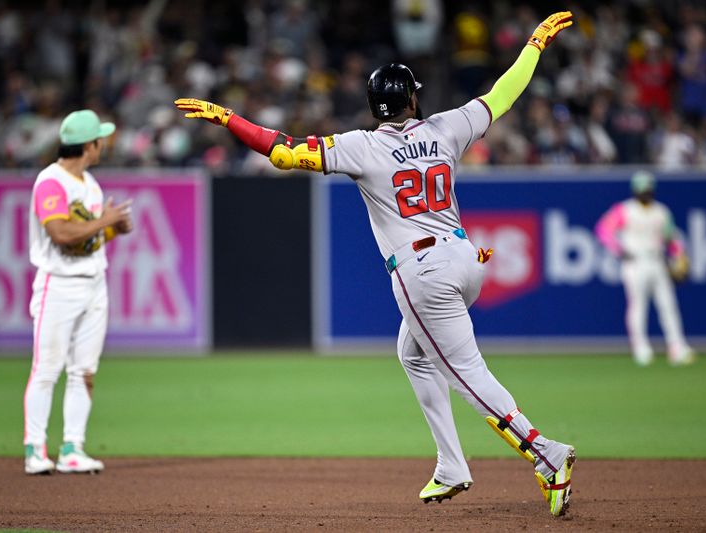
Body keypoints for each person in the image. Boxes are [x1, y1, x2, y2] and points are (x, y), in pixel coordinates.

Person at [176, 11, 577, 517]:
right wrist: (535, 45)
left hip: (422, 272)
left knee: (468, 375)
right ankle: (451, 465)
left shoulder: (360, 146)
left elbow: (282, 153)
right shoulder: (447, 126)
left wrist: (228, 118)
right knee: (412, 352)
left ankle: (547, 454)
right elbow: (504, 93)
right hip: (465, 257)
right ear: (412, 98)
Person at [24, 109, 133, 475]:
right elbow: (61, 234)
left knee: (84, 370)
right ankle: (35, 449)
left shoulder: (89, 183)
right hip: (59, 284)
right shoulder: (51, 182)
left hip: (93, 282)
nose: (103, 144)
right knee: (47, 370)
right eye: (100, 139)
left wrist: (117, 228)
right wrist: (106, 219)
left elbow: (90, 239)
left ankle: (72, 448)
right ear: (89, 145)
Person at [595, 171, 695, 366]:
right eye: (642, 189)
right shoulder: (624, 210)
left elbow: (672, 238)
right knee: (637, 306)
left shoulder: (661, 212)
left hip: (657, 261)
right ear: (635, 191)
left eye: (648, 189)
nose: (646, 193)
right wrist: (619, 250)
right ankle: (641, 348)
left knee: (668, 305)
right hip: (634, 262)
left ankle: (677, 347)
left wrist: (679, 256)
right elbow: (603, 230)